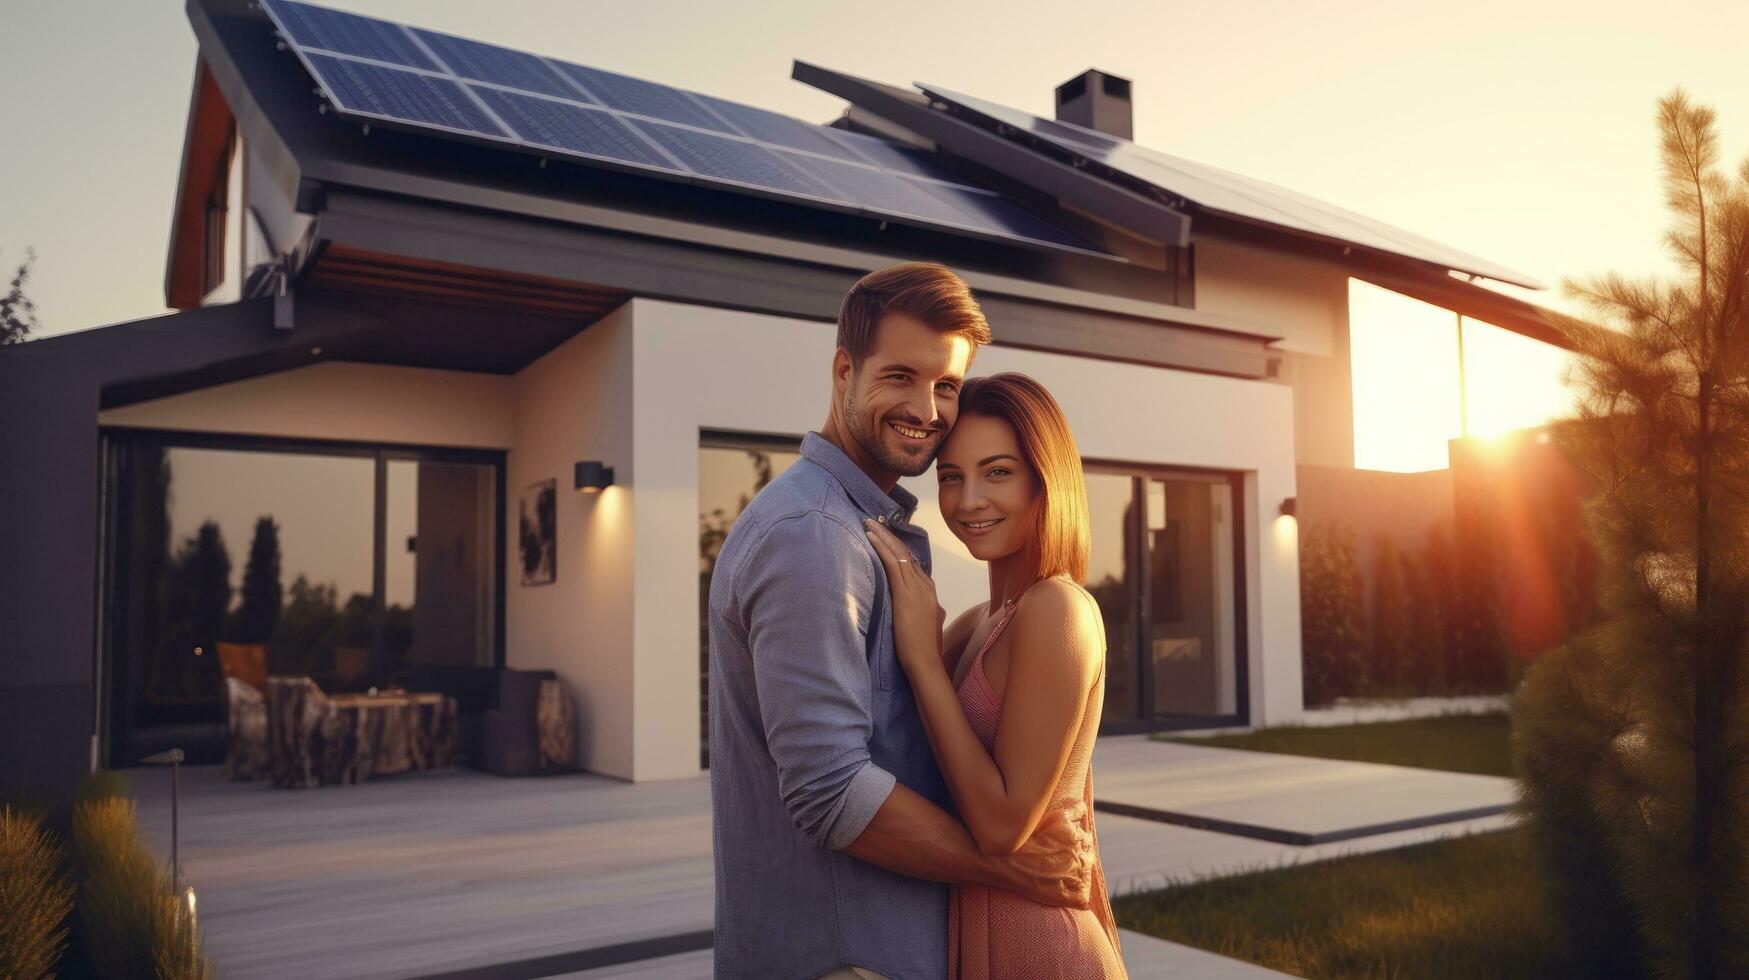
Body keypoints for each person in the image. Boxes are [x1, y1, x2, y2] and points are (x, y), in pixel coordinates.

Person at [707, 264, 1094, 980]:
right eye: (900, 377)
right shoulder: (814, 534)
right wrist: (1009, 868)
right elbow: (830, 792)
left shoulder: (862, 532)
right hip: (846, 956)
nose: (926, 408)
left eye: (945, 385)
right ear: (844, 370)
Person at [864, 372, 1126, 979]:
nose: (969, 499)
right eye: (951, 476)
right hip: (984, 928)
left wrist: (924, 657)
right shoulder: (983, 620)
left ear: (1044, 480)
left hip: (1044, 946)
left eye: (998, 472)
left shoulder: (1055, 608)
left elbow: (1003, 825)